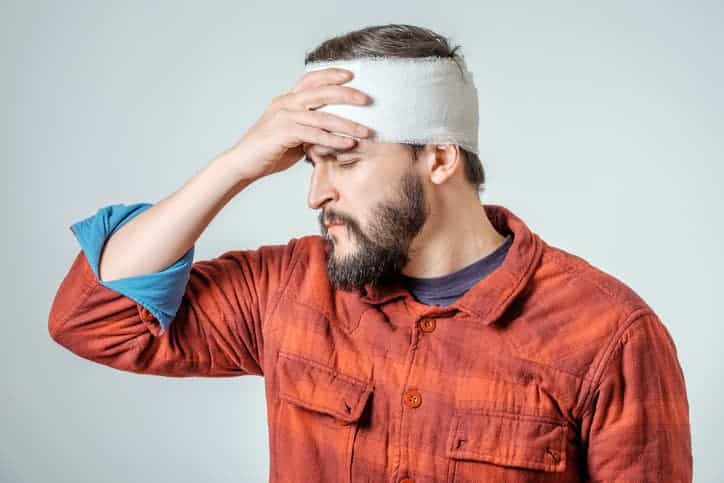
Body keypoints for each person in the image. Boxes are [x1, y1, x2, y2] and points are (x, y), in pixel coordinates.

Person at [48, 24, 692, 482]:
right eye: (308, 161)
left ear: (438, 157)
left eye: (344, 161)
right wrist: (237, 165)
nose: (314, 193)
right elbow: (93, 320)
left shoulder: (608, 334)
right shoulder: (288, 289)